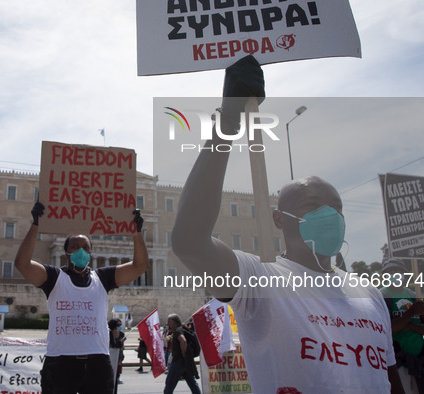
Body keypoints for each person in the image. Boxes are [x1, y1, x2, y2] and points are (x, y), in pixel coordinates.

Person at [171, 55, 404, 393]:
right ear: (279, 219)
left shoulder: (369, 294)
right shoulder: (261, 280)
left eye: (336, 209)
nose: (330, 217)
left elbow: (387, 376)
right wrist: (228, 124)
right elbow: (190, 242)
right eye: (313, 206)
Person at [14, 203, 148, 394]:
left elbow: (139, 266)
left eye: (85, 247)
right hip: (60, 363)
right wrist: (36, 225)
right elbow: (22, 264)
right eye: (75, 246)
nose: (80, 251)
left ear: (91, 252)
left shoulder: (102, 278)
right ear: (66, 251)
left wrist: (137, 233)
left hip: (97, 364)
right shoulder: (54, 278)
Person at [380, 258, 424, 393]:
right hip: (397, 363)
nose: (394, 274)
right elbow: (389, 329)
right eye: (391, 271)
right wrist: (411, 312)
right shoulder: (382, 296)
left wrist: (410, 325)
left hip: (420, 361)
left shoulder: (413, 296)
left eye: (398, 271)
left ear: (404, 274)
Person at [163, 314, 201, 394]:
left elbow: (183, 341)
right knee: (193, 385)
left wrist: (184, 354)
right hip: (186, 363)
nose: (168, 323)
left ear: (175, 322)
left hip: (178, 363)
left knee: (168, 387)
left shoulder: (178, 330)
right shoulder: (180, 330)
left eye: (169, 321)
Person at [108, 318, 126, 392]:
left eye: (120, 325)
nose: (119, 327)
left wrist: (120, 342)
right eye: (118, 325)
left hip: (118, 358)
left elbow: (122, 347)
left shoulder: (121, 334)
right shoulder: (108, 334)